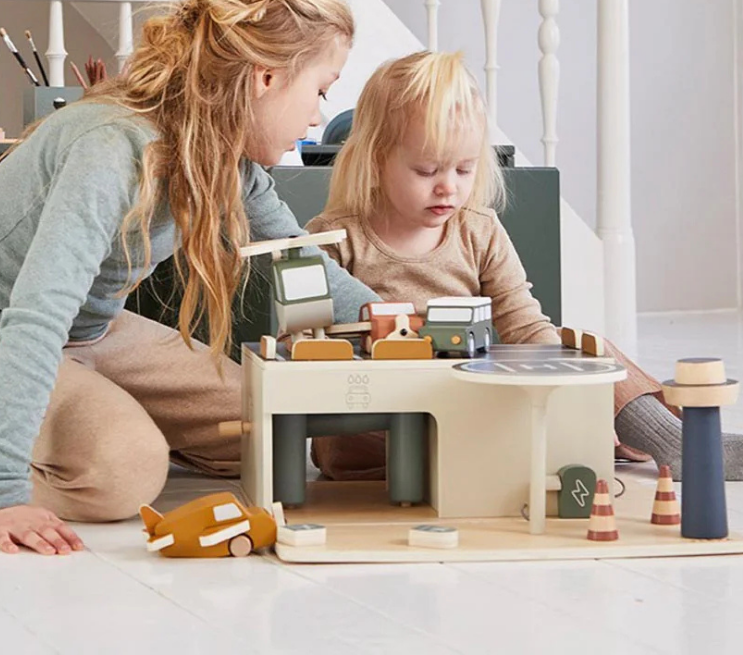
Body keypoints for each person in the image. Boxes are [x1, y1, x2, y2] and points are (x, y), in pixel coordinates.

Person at [0, 0, 382, 556]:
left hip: (94, 333)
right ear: (266, 77)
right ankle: (9, 442)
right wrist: (0, 492)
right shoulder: (113, 148)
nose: (318, 118)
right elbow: (37, 312)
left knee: (268, 432)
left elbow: (295, 256)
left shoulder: (224, 157)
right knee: (121, 476)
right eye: (320, 90)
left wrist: (395, 317)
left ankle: (72, 421)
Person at [306, 50, 743, 483]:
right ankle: (594, 440)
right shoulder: (335, 236)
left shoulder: (477, 229)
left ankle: (673, 442)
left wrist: (576, 383)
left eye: (464, 168)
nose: (448, 186)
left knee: (590, 350)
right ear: (376, 161)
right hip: (374, 417)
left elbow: (525, 325)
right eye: (426, 170)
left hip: (468, 398)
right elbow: (308, 343)